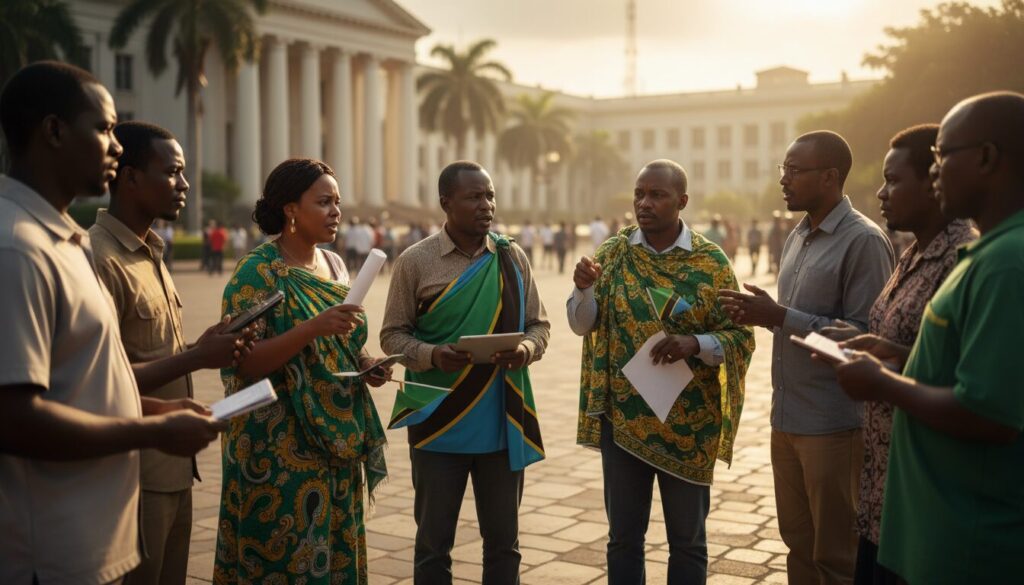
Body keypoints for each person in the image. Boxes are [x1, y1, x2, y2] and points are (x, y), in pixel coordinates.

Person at [0, 60, 224, 585]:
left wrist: (157, 407)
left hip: (90, 536)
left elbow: (81, 384)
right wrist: (153, 428)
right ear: (54, 130)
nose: (117, 147)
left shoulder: (64, 241)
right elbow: (13, 417)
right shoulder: (16, 248)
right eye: (103, 128)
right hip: (46, 552)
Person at [831, 92, 1024, 584]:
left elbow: (989, 414)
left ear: (986, 157)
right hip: (923, 521)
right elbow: (962, 365)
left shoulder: (1007, 263)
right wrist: (899, 356)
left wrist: (883, 383)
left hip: (966, 539)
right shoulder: (989, 253)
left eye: (942, 155)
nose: (936, 170)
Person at [719, 131, 894, 585]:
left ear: (830, 177)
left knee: (836, 556)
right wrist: (766, 315)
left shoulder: (863, 241)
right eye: (784, 169)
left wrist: (780, 316)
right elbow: (796, 320)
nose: (784, 179)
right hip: (787, 417)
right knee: (797, 544)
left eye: (795, 170)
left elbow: (866, 339)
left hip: (833, 424)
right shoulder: (798, 234)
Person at [568, 159, 754, 584]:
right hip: (624, 422)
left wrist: (695, 343)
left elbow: (740, 337)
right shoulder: (613, 254)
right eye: (639, 194)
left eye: (657, 195)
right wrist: (583, 289)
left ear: (682, 201)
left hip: (690, 424)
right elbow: (582, 325)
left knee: (687, 542)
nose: (644, 203)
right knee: (623, 540)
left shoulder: (710, 262)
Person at [90, 120, 258, 585]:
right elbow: (102, 378)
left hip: (175, 469)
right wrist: (196, 358)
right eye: (172, 172)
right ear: (130, 177)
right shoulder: (99, 257)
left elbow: (148, 353)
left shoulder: (149, 251)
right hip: (133, 474)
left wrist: (199, 347)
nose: (184, 184)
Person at [214, 158, 392, 583]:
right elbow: (241, 360)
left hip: (337, 437)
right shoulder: (259, 271)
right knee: (284, 555)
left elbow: (343, 342)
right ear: (291, 209)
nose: (336, 212)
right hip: (276, 442)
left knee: (334, 549)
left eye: (338, 202)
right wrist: (312, 327)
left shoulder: (334, 266)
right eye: (324, 202)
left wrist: (366, 363)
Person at [817, 124, 976, 585]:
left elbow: (970, 379)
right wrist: (874, 345)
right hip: (882, 481)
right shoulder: (911, 253)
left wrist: (885, 374)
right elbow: (918, 347)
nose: (881, 193)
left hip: (928, 482)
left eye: (893, 180)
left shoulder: (965, 257)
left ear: (934, 181)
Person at [381, 161, 550, 584]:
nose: (486, 205)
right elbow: (392, 335)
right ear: (446, 203)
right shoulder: (415, 262)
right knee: (433, 545)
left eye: (489, 195)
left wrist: (525, 350)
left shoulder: (512, 256)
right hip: (438, 421)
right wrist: (432, 355)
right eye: (474, 197)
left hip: (501, 420)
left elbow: (539, 325)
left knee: (504, 544)